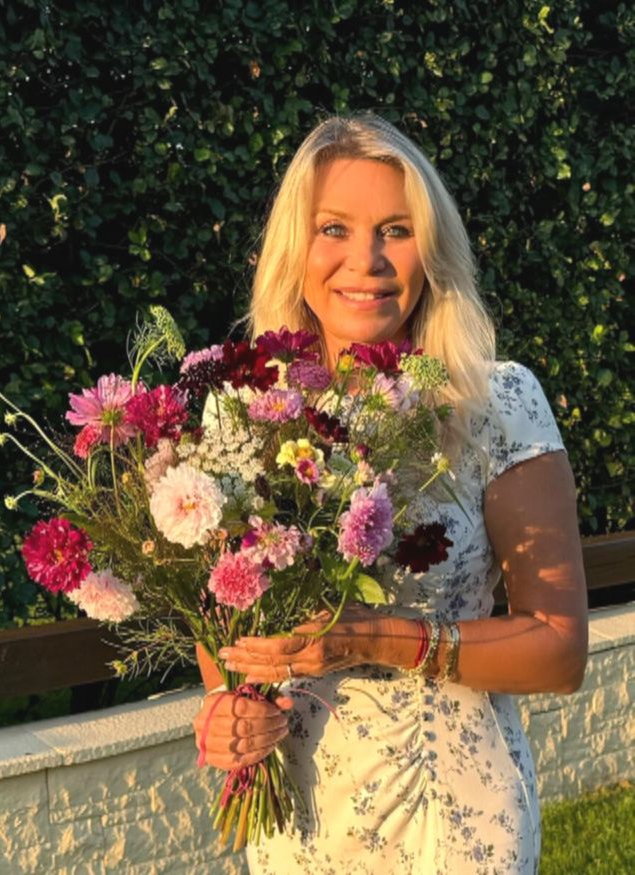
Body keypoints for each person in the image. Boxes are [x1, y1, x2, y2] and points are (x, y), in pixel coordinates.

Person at [192, 113, 588, 874]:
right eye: (334, 228)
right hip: (301, 821)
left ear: (430, 250)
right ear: (295, 247)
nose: (366, 261)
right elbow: (223, 629)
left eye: (396, 231)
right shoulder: (241, 414)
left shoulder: (494, 402)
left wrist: (369, 638)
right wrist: (224, 711)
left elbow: (559, 650)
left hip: (455, 818)